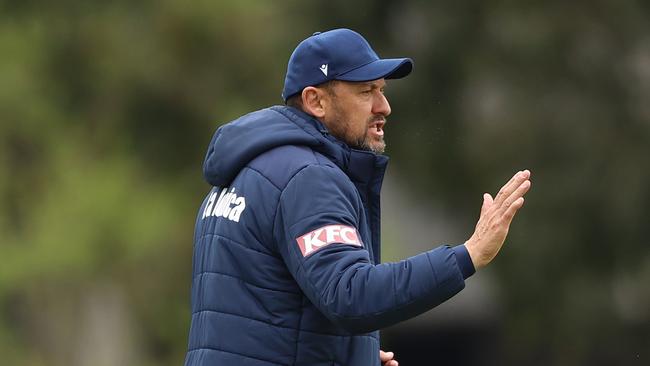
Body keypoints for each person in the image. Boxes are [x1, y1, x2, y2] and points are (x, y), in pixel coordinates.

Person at [184, 28, 531, 366]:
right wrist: (469, 254)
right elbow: (351, 295)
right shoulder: (308, 177)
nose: (384, 106)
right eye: (366, 92)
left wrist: (349, 354)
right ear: (315, 101)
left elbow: (256, 319)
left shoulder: (243, 174)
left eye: (381, 90)